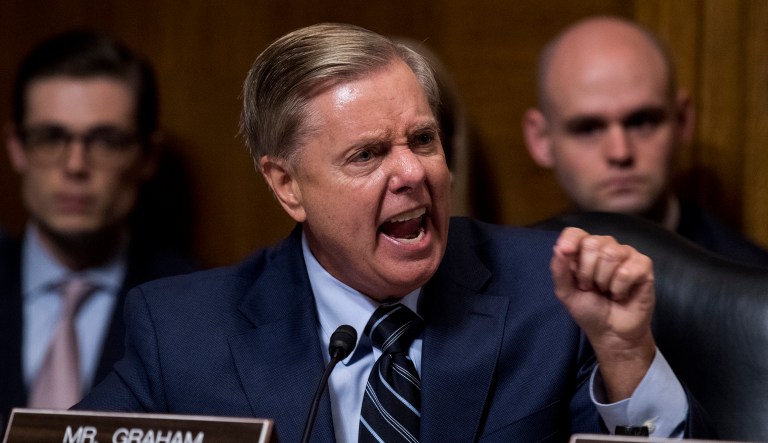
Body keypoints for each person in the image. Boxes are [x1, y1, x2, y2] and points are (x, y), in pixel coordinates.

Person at [77, 23, 711, 442]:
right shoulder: (184, 332)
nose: (413, 172)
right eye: (367, 155)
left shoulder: (549, 293)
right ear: (286, 185)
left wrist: (626, 354)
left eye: (424, 140)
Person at [0, 30, 198, 428]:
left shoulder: (198, 310)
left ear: (147, 156)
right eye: (50, 137)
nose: (75, 165)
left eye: (105, 140)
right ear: (17, 148)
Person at [522, 15, 768, 265]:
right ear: (541, 139)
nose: (620, 153)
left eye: (642, 122)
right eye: (588, 129)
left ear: (681, 121)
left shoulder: (755, 285)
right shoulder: (510, 277)